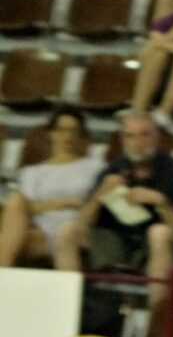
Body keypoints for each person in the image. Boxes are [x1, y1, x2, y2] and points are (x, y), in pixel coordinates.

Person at [55, 112, 173, 317]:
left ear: (157, 138)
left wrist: (162, 202)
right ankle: (67, 311)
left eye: (144, 135)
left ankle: (157, 319)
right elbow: (83, 221)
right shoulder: (113, 169)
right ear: (122, 140)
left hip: (155, 246)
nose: (137, 143)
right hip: (116, 242)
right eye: (130, 136)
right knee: (67, 230)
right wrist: (100, 195)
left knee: (159, 233)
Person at [0, 107, 104, 269]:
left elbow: (95, 201)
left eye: (73, 130)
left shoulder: (95, 167)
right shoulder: (32, 172)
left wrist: (45, 206)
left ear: (81, 135)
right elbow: (27, 207)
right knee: (15, 200)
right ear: (52, 133)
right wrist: (65, 202)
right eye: (62, 130)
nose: (67, 136)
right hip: (40, 230)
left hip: (74, 230)